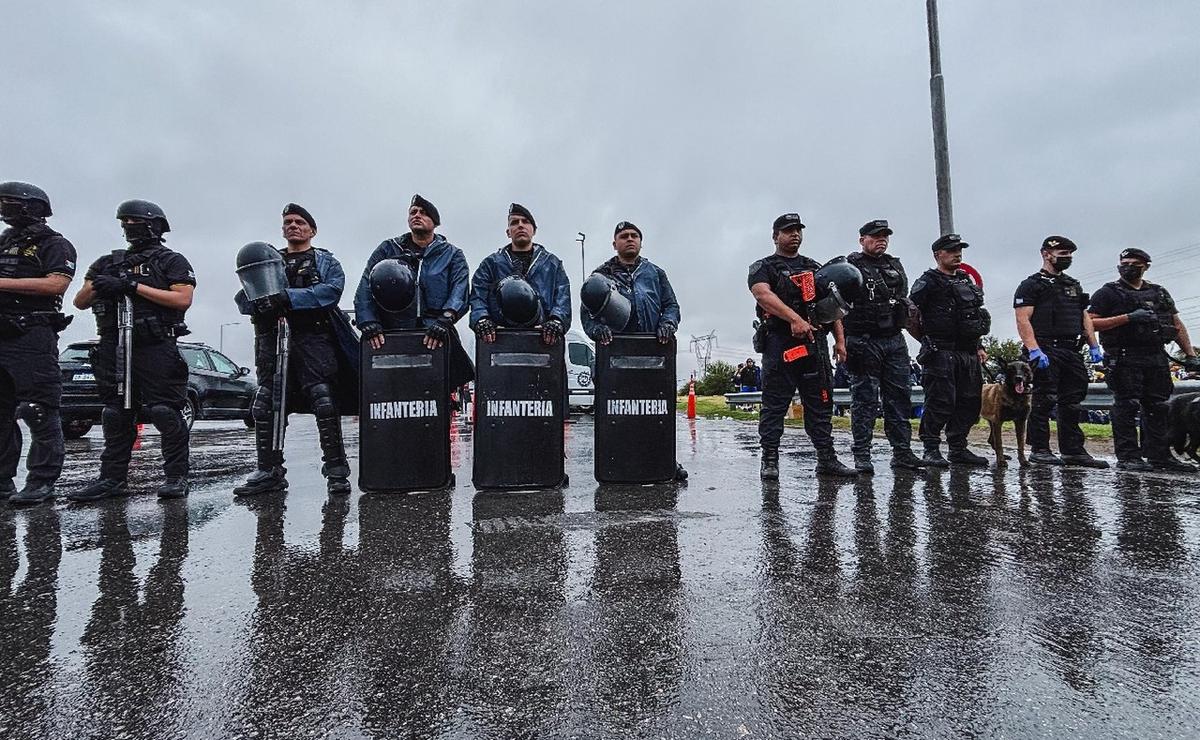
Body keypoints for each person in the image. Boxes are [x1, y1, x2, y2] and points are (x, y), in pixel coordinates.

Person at [70, 200, 195, 501]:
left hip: (154, 344)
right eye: (124, 221)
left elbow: (182, 299)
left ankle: (176, 477)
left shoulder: (171, 261)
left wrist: (132, 286)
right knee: (115, 413)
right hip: (114, 343)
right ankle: (112, 479)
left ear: (154, 225)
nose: (129, 227)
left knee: (165, 411)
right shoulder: (107, 262)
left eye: (135, 221)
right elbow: (80, 301)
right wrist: (101, 284)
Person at [233, 204, 361, 496]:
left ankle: (337, 471)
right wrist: (261, 300)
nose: (293, 226)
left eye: (300, 222)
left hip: (313, 340)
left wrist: (287, 297)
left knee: (324, 402)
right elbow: (243, 296)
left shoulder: (324, 261)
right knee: (265, 404)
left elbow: (330, 292)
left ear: (311, 230)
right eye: (288, 222)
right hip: (272, 341)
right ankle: (269, 470)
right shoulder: (267, 260)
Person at [748, 212, 856, 480]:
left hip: (814, 345)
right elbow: (763, 295)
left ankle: (826, 459)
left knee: (820, 404)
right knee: (774, 405)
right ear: (776, 236)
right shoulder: (764, 266)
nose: (794, 234)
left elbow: (832, 307)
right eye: (788, 230)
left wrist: (840, 341)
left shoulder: (814, 267)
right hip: (780, 343)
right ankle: (770, 459)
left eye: (798, 230)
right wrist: (794, 319)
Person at [1087, 247, 1200, 472]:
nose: (1128, 266)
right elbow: (1090, 322)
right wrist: (1127, 318)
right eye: (1124, 262)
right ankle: (1129, 456)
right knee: (1127, 406)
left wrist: (1190, 355)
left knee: (1158, 407)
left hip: (1155, 356)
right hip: (1124, 357)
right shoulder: (1108, 292)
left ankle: (1158, 454)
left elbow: (1176, 325)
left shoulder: (1158, 293)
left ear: (1145, 266)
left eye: (1134, 263)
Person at [0, 181, 76, 505]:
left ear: (32, 206)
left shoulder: (54, 244)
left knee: (39, 409)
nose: (5, 208)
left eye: (11, 202)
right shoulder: (4, 242)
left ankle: (42, 482)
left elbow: (57, 284)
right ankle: (3, 482)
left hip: (33, 333)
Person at [353, 194, 473, 392]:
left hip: (436, 331)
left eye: (424, 213)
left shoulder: (452, 254)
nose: (417, 215)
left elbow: (460, 290)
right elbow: (366, 286)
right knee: (393, 392)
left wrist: (446, 318)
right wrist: (368, 322)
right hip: (393, 331)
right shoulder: (388, 248)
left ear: (435, 222)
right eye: (413, 212)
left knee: (437, 393)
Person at [1013, 235, 1107, 468]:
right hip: (1045, 349)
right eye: (1062, 254)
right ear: (1046, 254)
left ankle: (1073, 450)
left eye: (1069, 255)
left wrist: (1094, 345)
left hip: (1071, 349)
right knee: (1044, 401)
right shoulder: (1032, 285)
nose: (1067, 259)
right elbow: (1023, 319)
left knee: (1073, 401)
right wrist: (1033, 350)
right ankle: (1040, 449)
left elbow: (1083, 316)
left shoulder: (1072, 285)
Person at [842, 219, 925, 474]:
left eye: (885, 236)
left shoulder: (894, 264)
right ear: (862, 239)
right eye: (876, 236)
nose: (882, 240)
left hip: (894, 339)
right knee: (865, 399)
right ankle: (862, 454)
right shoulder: (849, 267)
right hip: (863, 339)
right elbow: (837, 304)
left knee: (900, 397)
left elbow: (903, 298)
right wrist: (842, 341)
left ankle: (902, 452)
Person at [909, 233, 991, 468]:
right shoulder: (928, 281)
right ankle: (931, 448)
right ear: (938, 255)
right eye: (952, 250)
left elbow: (973, 316)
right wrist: (926, 339)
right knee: (940, 401)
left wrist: (978, 346)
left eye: (959, 250)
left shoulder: (965, 281)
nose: (958, 254)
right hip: (941, 352)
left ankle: (958, 447)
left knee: (969, 401)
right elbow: (910, 314)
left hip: (967, 352)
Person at [469, 203, 571, 345]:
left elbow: (562, 298)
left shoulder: (552, 264)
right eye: (514, 223)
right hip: (500, 341)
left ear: (534, 230)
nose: (520, 226)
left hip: (543, 340)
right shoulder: (490, 264)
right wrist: (482, 319)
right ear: (508, 232)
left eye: (525, 221)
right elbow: (478, 297)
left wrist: (557, 321)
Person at [580, 220, 680, 345]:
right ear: (614, 245)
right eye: (623, 236)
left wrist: (667, 323)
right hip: (615, 350)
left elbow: (671, 306)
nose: (630, 239)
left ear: (640, 243)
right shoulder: (601, 276)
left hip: (653, 348)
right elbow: (587, 313)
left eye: (634, 236)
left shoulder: (656, 274)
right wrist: (597, 330)